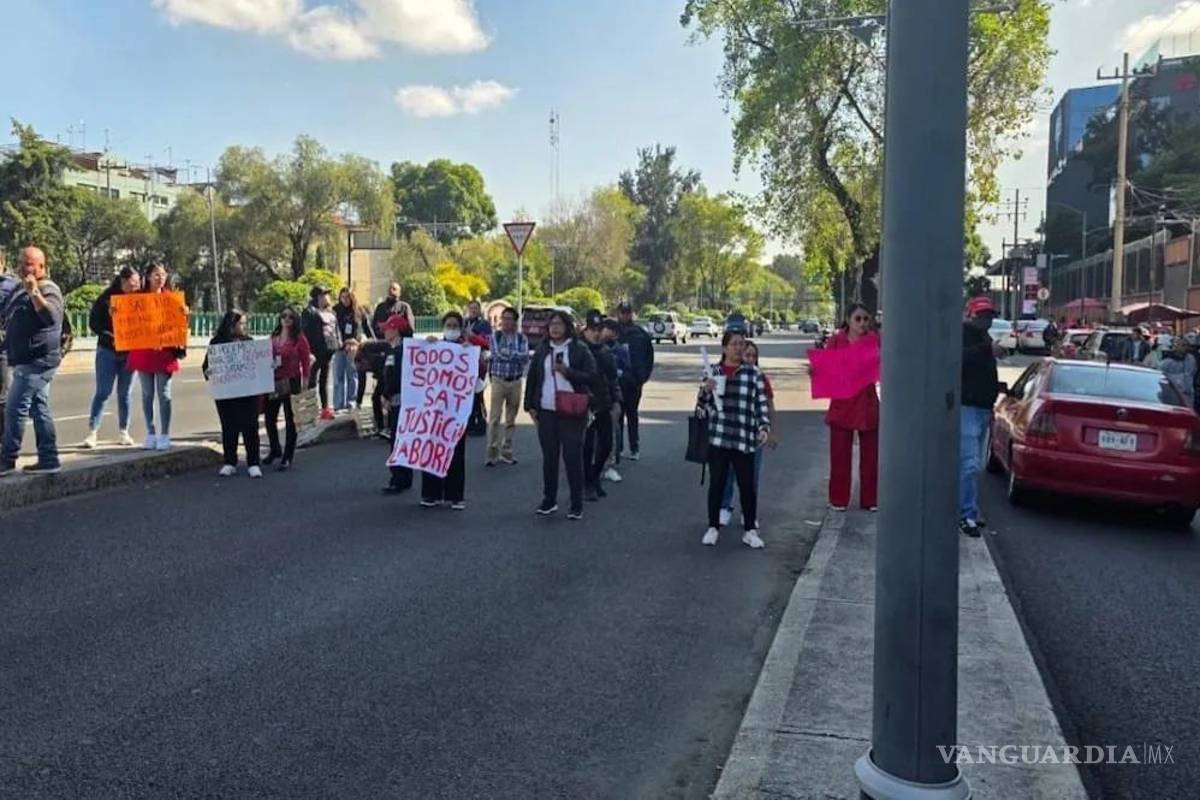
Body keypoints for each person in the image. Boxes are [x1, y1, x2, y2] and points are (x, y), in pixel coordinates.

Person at [698, 329, 770, 549]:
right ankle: (713, 527)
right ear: (725, 347)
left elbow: (760, 403)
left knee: (747, 485)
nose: (739, 348)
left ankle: (750, 529)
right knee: (717, 483)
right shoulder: (713, 372)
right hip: (720, 437)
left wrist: (764, 426)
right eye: (735, 344)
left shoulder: (753, 374)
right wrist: (706, 390)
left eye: (742, 344)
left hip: (744, 438)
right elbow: (702, 407)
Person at [525, 310, 598, 520]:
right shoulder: (542, 350)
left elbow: (593, 376)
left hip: (572, 410)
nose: (555, 327)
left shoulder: (579, 349)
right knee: (549, 457)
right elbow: (533, 377)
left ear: (568, 326)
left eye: (559, 323)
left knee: (572, 457)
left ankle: (576, 503)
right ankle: (549, 500)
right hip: (547, 410)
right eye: (552, 324)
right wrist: (530, 404)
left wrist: (568, 372)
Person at [0, 246, 64, 475]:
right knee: (39, 408)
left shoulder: (49, 289)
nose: (21, 267)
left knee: (15, 408)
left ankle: (6, 460)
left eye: (27, 263)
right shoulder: (19, 288)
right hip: (24, 358)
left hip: (38, 361)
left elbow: (50, 318)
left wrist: (34, 293)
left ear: (41, 267)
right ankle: (49, 458)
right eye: (20, 262)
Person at [815, 303, 880, 513]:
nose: (862, 323)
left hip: (867, 402)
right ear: (848, 320)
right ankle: (838, 499)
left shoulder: (874, 340)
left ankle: (870, 499)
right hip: (843, 402)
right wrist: (816, 371)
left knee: (871, 457)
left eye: (865, 319)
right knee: (839, 455)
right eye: (858, 319)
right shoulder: (836, 340)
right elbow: (826, 370)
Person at [419, 311, 487, 510]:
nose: (450, 328)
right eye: (447, 325)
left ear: (460, 328)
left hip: (456, 412)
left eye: (454, 325)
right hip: (434, 411)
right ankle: (431, 493)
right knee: (431, 450)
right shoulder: (434, 347)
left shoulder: (466, 350)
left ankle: (455, 495)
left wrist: (471, 355)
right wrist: (425, 347)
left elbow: (480, 378)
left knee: (455, 452)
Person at [719, 339, 778, 527]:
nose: (750, 358)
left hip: (753, 436)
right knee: (727, 473)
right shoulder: (727, 374)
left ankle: (748, 513)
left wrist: (771, 431)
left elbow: (769, 406)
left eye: (754, 356)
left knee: (751, 477)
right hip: (730, 434)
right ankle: (724, 507)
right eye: (747, 354)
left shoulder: (760, 378)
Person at [82, 266, 141, 448]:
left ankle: (124, 431)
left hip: (129, 353)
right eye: (133, 283)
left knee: (125, 394)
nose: (136, 287)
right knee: (103, 392)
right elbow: (94, 323)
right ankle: (93, 432)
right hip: (107, 351)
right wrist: (110, 336)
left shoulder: (139, 300)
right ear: (123, 281)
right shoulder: (106, 299)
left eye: (138, 283)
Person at [127, 262, 182, 451]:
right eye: (156, 274)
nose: (160, 278)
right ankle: (150, 433)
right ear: (148, 277)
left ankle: (165, 433)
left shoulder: (171, 299)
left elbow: (179, 325)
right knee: (147, 394)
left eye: (163, 274)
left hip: (164, 353)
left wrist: (184, 315)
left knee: (164, 394)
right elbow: (125, 318)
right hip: (143, 352)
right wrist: (115, 312)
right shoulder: (137, 299)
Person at [960, 296, 1003, 537]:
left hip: (982, 406)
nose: (987, 320)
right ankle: (965, 514)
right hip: (968, 406)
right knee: (968, 464)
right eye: (983, 315)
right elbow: (958, 359)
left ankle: (969, 510)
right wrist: (988, 349)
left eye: (989, 316)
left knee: (972, 465)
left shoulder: (983, 338)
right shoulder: (965, 335)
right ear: (971, 315)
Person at [202, 310, 262, 478]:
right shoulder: (217, 343)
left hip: (247, 394)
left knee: (250, 427)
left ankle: (253, 463)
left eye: (245, 323)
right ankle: (230, 462)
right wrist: (210, 371)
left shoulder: (249, 342)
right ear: (232, 324)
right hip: (226, 394)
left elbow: (257, 366)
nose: (244, 327)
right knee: (229, 427)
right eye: (241, 323)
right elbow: (206, 367)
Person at [264, 305, 311, 471]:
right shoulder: (274, 336)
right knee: (270, 418)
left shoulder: (299, 339)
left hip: (291, 381)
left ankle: (288, 455)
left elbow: (306, 363)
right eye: (284, 316)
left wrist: (305, 384)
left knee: (291, 420)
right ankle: (275, 448)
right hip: (274, 381)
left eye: (290, 317)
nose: (286, 319)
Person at [581, 311, 621, 502]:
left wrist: (616, 401)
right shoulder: (578, 349)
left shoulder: (605, 351)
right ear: (586, 329)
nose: (596, 334)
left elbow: (613, 379)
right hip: (585, 405)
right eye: (592, 329)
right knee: (587, 447)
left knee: (606, 445)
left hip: (604, 403)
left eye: (599, 329)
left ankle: (595, 476)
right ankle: (588, 483)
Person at [486, 306, 529, 466]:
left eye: (509, 318)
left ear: (515, 321)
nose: (505, 321)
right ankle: (492, 453)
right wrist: (514, 356)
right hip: (498, 379)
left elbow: (525, 358)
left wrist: (509, 354)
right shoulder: (495, 337)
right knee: (494, 418)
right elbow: (496, 354)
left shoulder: (521, 338)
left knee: (511, 419)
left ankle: (507, 452)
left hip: (516, 380)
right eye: (503, 318)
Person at [380, 314, 415, 494]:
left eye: (388, 328)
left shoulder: (399, 351)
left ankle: (399, 478)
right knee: (399, 439)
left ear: (396, 330)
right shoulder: (395, 349)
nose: (385, 331)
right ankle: (403, 477)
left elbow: (395, 377)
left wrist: (386, 394)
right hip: (398, 399)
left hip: (399, 400)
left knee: (397, 439)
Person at [616, 300, 654, 461]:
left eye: (627, 312)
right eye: (622, 312)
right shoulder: (612, 332)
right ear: (618, 313)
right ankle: (618, 448)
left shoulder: (640, 334)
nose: (625, 315)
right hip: (616, 382)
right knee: (617, 416)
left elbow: (649, 357)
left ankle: (634, 447)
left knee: (632, 415)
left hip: (634, 382)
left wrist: (642, 378)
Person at [301, 285, 340, 419]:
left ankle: (325, 408)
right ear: (318, 297)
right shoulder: (309, 312)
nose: (327, 297)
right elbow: (304, 333)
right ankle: (310, 409)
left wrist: (338, 343)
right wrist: (308, 352)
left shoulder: (330, 312)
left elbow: (336, 329)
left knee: (324, 380)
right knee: (312, 380)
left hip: (328, 351)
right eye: (325, 295)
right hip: (315, 351)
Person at [332, 288, 371, 412]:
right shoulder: (335, 310)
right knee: (338, 376)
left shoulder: (359, 311)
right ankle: (338, 404)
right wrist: (340, 343)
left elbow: (366, 328)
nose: (345, 300)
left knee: (352, 375)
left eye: (347, 297)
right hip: (340, 346)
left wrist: (364, 341)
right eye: (342, 297)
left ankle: (351, 402)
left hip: (354, 347)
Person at [603, 319, 630, 483]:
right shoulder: (592, 348)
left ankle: (610, 464)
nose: (604, 333)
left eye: (607, 330)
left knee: (613, 431)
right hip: (594, 396)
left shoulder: (620, 350)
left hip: (612, 394)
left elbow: (627, 371)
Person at [465, 300, 492, 437]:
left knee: (478, 395)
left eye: (476, 308)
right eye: (471, 308)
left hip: (478, 363)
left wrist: (472, 337)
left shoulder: (484, 324)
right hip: (464, 364)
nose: (473, 310)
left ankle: (480, 423)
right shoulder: (464, 322)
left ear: (479, 310)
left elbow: (486, 343)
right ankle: (469, 423)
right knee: (466, 396)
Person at [1159, 334, 1197, 408]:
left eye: (1186, 345)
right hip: (1173, 393)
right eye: (1182, 345)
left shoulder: (1190, 358)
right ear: (1176, 346)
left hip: (1188, 394)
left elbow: (1192, 373)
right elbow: (1162, 375)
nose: (1185, 347)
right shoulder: (1167, 360)